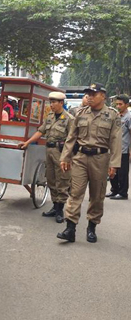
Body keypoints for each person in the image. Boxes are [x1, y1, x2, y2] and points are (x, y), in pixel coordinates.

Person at [58, 83, 121, 243]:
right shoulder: (80, 113)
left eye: (94, 94)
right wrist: (65, 157)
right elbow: (71, 137)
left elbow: (115, 141)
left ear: (103, 96)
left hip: (101, 159)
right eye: (89, 94)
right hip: (80, 158)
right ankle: (70, 228)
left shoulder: (112, 115)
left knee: (97, 195)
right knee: (75, 193)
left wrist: (114, 164)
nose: (90, 97)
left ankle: (91, 227)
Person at [19, 92, 74, 222]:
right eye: (51, 102)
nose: (52, 105)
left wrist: (68, 157)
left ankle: (60, 210)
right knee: (51, 179)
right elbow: (40, 131)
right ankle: (55, 207)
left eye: (54, 102)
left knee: (62, 180)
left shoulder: (69, 119)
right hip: (49, 151)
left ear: (61, 103)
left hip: (61, 153)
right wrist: (27, 142)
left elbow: (72, 139)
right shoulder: (49, 117)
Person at [106, 94, 131, 200]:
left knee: (122, 173)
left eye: (120, 104)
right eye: (117, 104)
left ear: (127, 104)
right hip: (113, 149)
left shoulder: (129, 117)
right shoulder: (116, 115)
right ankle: (114, 190)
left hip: (124, 149)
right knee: (112, 171)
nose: (118, 106)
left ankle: (123, 192)